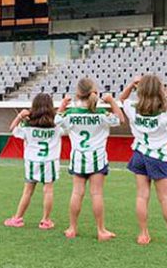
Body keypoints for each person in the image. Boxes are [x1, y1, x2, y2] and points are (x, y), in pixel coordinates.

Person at [119, 75, 167, 246]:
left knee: (142, 197)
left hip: (139, 154)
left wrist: (131, 85)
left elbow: (121, 99)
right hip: (158, 157)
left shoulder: (132, 108)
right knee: (165, 198)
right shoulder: (165, 115)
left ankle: (143, 234)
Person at [55, 78, 125, 241]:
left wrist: (63, 104)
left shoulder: (71, 114)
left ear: (77, 94)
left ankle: (72, 228)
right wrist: (112, 101)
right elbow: (120, 119)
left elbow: (57, 120)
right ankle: (100, 230)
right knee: (97, 194)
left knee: (76, 193)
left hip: (78, 158)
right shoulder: (101, 114)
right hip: (97, 159)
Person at [4, 93, 62, 230]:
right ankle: (45, 220)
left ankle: (18, 218)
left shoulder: (28, 126)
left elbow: (12, 129)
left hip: (32, 161)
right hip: (50, 161)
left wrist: (20, 116)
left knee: (28, 191)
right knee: (48, 190)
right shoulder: (56, 125)